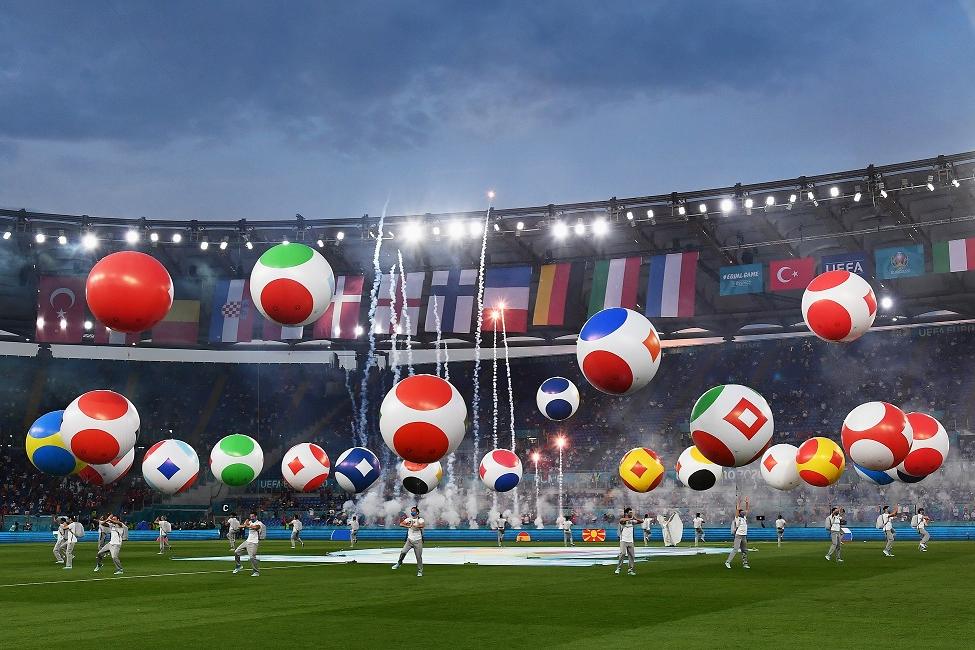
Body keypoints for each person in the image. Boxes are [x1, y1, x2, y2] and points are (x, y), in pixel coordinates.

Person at [392, 506, 424, 577]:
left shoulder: (420, 519)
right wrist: (408, 526)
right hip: (409, 540)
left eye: (414, 511)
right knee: (403, 552)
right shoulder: (409, 519)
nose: (412, 512)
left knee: (418, 557)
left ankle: (420, 571)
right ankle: (399, 563)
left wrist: (415, 526)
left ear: (417, 512)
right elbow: (401, 524)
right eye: (411, 511)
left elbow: (422, 525)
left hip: (418, 540)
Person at [725, 498, 750, 569]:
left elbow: (747, 510)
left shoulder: (744, 518)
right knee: (735, 549)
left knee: (744, 550)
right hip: (738, 535)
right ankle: (728, 562)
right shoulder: (737, 518)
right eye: (741, 512)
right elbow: (737, 510)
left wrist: (747, 503)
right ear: (739, 513)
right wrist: (738, 503)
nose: (743, 513)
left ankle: (745, 564)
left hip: (744, 536)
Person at [615, 508, 640, 576]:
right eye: (630, 512)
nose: (631, 513)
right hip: (623, 540)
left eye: (632, 512)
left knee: (632, 556)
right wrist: (631, 518)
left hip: (631, 541)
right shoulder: (623, 521)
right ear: (626, 513)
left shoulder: (632, 521)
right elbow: (621, 520)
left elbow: (641, 521)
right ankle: (618, 568)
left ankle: (630, 570)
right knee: (622, 553)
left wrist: (635, 518)